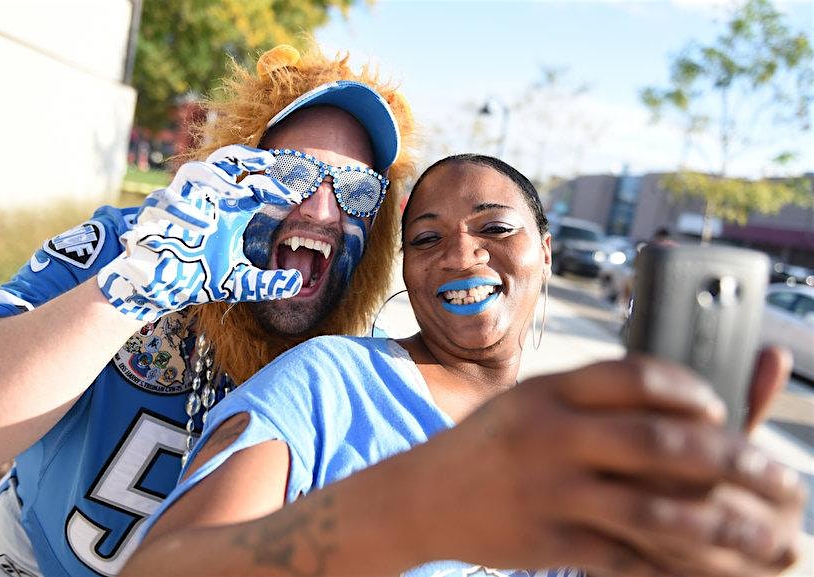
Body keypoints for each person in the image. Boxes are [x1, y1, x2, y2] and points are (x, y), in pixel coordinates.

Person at [121, 155, 805, 577]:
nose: (459, 254)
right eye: (426, 238)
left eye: (495, 228)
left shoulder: (572, 437)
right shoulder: (326, 381)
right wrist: (420, 507)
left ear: (543, 247)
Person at [0, 43, 416, 577]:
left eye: (358, 188)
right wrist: (122, 298)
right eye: (293, 174)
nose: (322, 210)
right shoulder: (128, 250)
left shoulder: (348, 369)